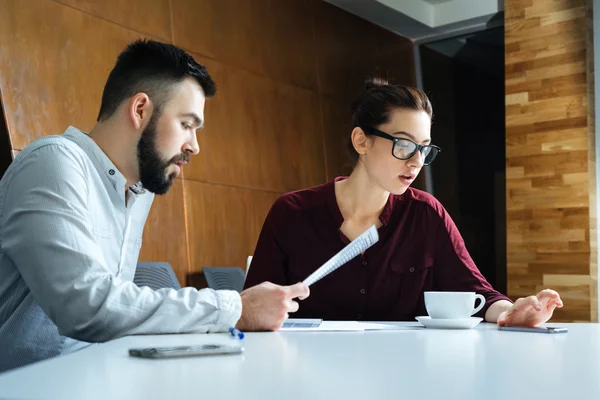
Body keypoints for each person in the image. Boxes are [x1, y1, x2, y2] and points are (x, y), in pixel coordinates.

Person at [0, 39, 309, 372]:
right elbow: (87, 307)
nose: (195, 146)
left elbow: (113, 316)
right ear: (140, 110)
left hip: (93, 378)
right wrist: (235, 308)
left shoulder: (137, 191)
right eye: (187, 125)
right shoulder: (52, 163)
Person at [244, 77, 563, 327]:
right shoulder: (292, 213)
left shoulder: (426, 215)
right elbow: (253, 306)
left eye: (423, 148)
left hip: (405, 375)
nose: (415, 161)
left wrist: (512, 311)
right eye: (403, 144)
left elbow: (477, 292)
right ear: (361, 140)